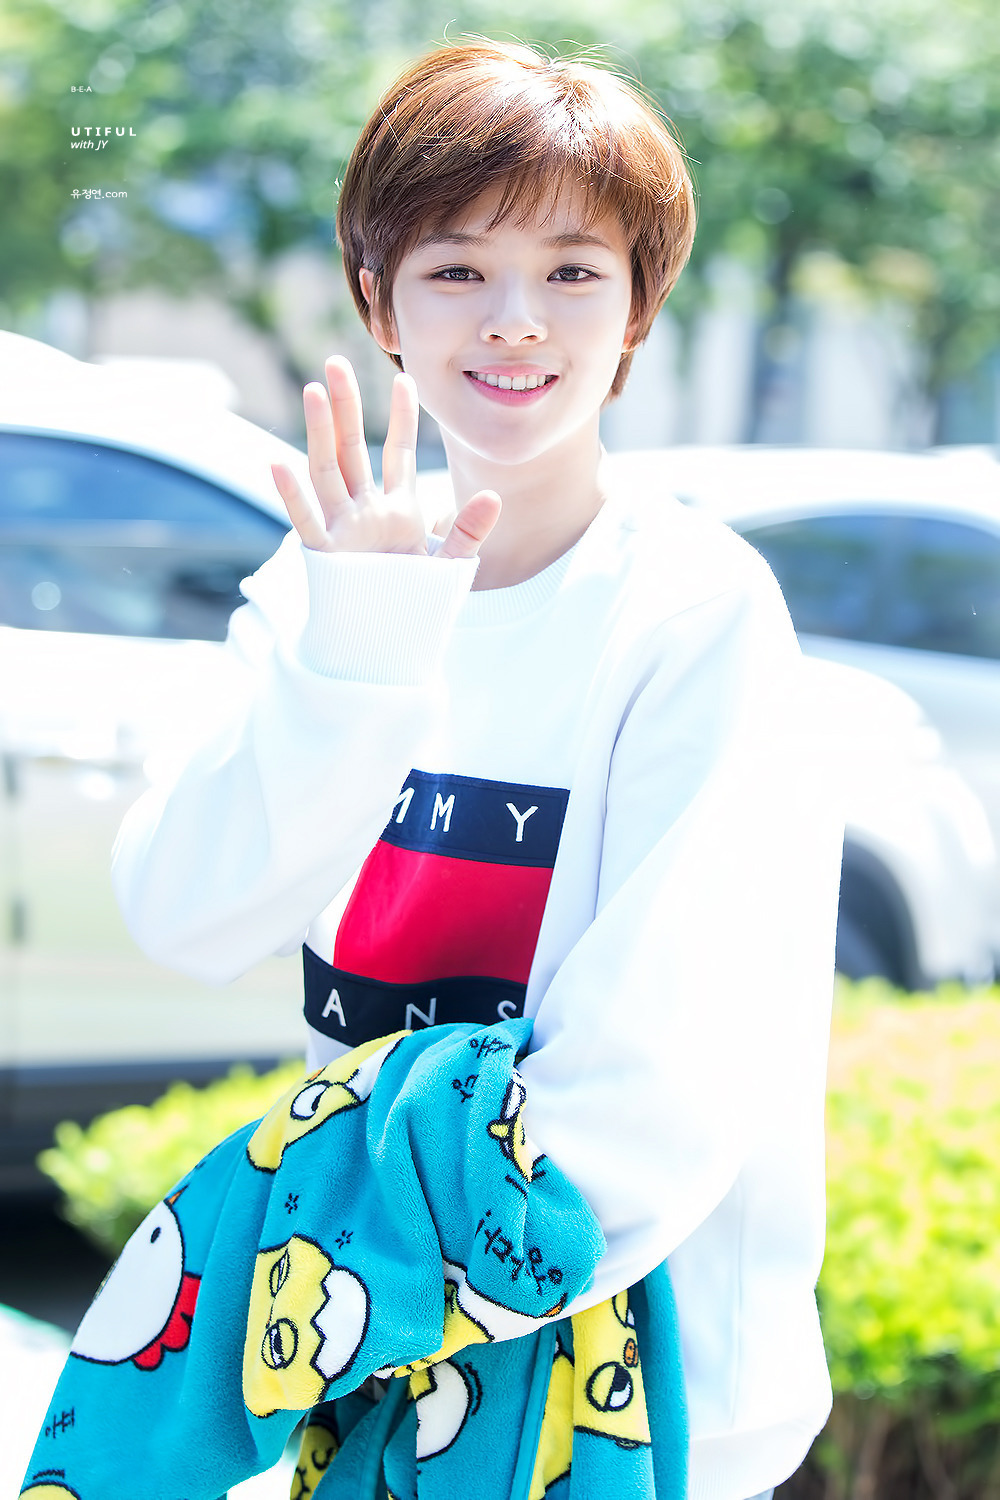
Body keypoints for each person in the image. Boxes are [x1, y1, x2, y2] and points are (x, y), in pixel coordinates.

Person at [111, 38, 843, 1500]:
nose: (516, 319)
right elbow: (183, 914)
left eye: (573, 269)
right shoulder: (323, 589)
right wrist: (360, 650)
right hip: (373, 1372)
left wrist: (340, 1280)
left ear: (638, 305)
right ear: (379, 298)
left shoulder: (693, 610)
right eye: (457, 268)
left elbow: (648, 1090)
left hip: (638, 1400)